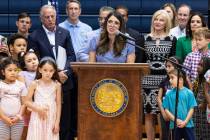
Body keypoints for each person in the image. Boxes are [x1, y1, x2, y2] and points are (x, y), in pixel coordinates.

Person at [28, 4, 76, 140]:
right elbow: (36, 60)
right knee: (47, 118)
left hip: (64, 81)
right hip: (45, 84)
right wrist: (54, 74)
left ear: (56, 17)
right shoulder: (34, 36)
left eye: (52, 16)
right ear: (41, 19)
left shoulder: (64, 33)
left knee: (65, 119)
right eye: (47, 17)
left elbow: (72, 56)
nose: (50, 19)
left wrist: (65, 72)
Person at [140, 10, 176, 140]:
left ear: (166, 22)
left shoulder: (172, 39)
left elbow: (173, 64)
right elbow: (142, 62)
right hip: (147, 82)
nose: (158, 22)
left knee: (163, 114)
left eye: (161, 20)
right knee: (149, 114)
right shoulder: (144, 38)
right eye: (156, 19)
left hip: (164, 82)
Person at [25, 57, 61, 140]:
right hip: (37, 117)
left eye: (51, 70)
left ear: (54, 71)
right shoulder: (35, 84)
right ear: (40, 70)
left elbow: (58, 104)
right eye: (45, 70)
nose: (48, 73)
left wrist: (57, 122)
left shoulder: (57, 85)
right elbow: (26, 101)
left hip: (51, 118)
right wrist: (38, 109)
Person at [162, 69, 197, 140]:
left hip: (188, 124)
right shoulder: (169, 94)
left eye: (172, 78)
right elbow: (166, 109)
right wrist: (175, 120)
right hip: (174, 125)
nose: (170, 80)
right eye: (169, 78)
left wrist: (185, 121)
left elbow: (191, 108)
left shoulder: (189, 93)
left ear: (180, 79)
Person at [0, 57, 27, 140]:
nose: (13, 72)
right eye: (10, 70)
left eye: (15, 70)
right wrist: (4, 118)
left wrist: (18, 116)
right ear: (3, 72)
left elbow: (24, 103)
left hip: (17, 120)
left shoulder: (21, 85)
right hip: (2, 119)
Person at [158, 56, 180, 140]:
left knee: (176, 134)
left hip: (176, 112)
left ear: (176, 67)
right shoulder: (164, 81)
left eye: (169, 66)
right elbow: (159, 98)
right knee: (165, 134)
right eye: (166, 66)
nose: (167, 68)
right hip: (165, 112)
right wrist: (163, 112)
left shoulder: (180, 81)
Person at [18, 50, 39, 140]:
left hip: (39, 104)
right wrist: (29, 106)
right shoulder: (22, 74)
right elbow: (24, 91)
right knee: (26, 130)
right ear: (24, 65)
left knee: (37, 130)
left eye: (34, 59)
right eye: (29, 61)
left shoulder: (42, 72)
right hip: (27, 106)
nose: (33, 62)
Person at [192, 57, 210, 139]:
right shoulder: (197, 78)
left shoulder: (207, 80)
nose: (198, 66)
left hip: (205, 109)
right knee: (196, 133)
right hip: (197, 109)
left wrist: (204, 103)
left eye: (201, 65)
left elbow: (208, 93)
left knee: (206, 133)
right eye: (198, 64)